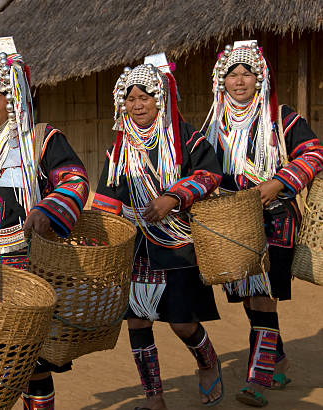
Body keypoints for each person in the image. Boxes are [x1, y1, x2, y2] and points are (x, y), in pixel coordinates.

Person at [0, 37, 89, 409]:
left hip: (25, 267)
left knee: (30, 364)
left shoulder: (39, 140)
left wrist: (48, 211)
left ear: (12, 97)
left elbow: (74, 180)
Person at [92, 58, 224, 409]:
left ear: (160, 99)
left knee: (182, 322)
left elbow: (210, 175)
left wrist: (173, 197)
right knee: (137, 321)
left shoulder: (184, 136)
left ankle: (208, 362)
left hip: (178, 242)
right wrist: (94, 235)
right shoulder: (118, 149)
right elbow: (107, 197)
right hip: (135, 246)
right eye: (131, 99)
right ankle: (154, 398)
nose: (137, 105)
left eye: (144, 98)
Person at [201, 41, 323, 407]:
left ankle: (258, 379)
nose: (240, 81)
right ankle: (278, 356)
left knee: (262, 296)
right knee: (248, 299)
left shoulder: (281, 118)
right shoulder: (214, 125)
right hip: (232, 219)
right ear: (221, 82)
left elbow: (314, 153)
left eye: (247, 73)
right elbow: (204, 170)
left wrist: (278, 182)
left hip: (276, 217)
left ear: (260, 77)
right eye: (232, 75)